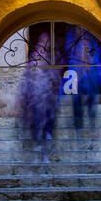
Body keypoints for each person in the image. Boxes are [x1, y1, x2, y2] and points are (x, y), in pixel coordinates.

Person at [18, 27, 59, 166]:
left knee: (47, 131)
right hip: (35, 105)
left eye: (46, 41)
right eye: (42, 41)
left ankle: (45, 156)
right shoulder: (33, 62)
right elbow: (25, 83)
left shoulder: (51, 62)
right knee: (36, 131)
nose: (44, 44)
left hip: (47, 104)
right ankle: (37, 156)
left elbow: (56, 82)